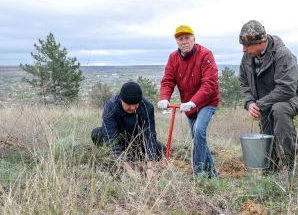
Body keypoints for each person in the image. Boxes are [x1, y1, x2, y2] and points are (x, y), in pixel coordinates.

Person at [238, 20, 298, 176]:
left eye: (247, 45)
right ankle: (271, 168)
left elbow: (287, 89)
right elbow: (244, 82)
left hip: (294, 96)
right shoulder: (248, 57)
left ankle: (289, 165)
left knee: (279, 110)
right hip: (266, 98)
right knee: (266, 130)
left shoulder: (283, 54)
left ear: (261, 42)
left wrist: (260, 104)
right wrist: (250, 103)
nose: (244, 49)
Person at [157, 25, 220, 179]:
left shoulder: (205, 54)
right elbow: (168, 81)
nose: (184, 41)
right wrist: (164, 97)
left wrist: (194, 102)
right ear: (177, 42)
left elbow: (209, 84)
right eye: (180, 39)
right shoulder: (173, 58)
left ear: (194, 39)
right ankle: (212, 176)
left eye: (187, 38)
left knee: (199, 132)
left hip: (207, 102)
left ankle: (198, 173)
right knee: (198, 139)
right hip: (189, 105)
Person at [91, 81, 166, 180]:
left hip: (137, 141)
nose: (133, 108)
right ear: (121, 100)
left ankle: (132, 156)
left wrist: (150, 167)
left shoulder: (148, 107)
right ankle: (117, 157)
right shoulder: (111, 106)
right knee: (97, 133)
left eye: (136, 104)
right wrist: (129, 170)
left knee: (161, 150)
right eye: (129, 104)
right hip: (119, 140)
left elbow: (150, 135)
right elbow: (110, 138)